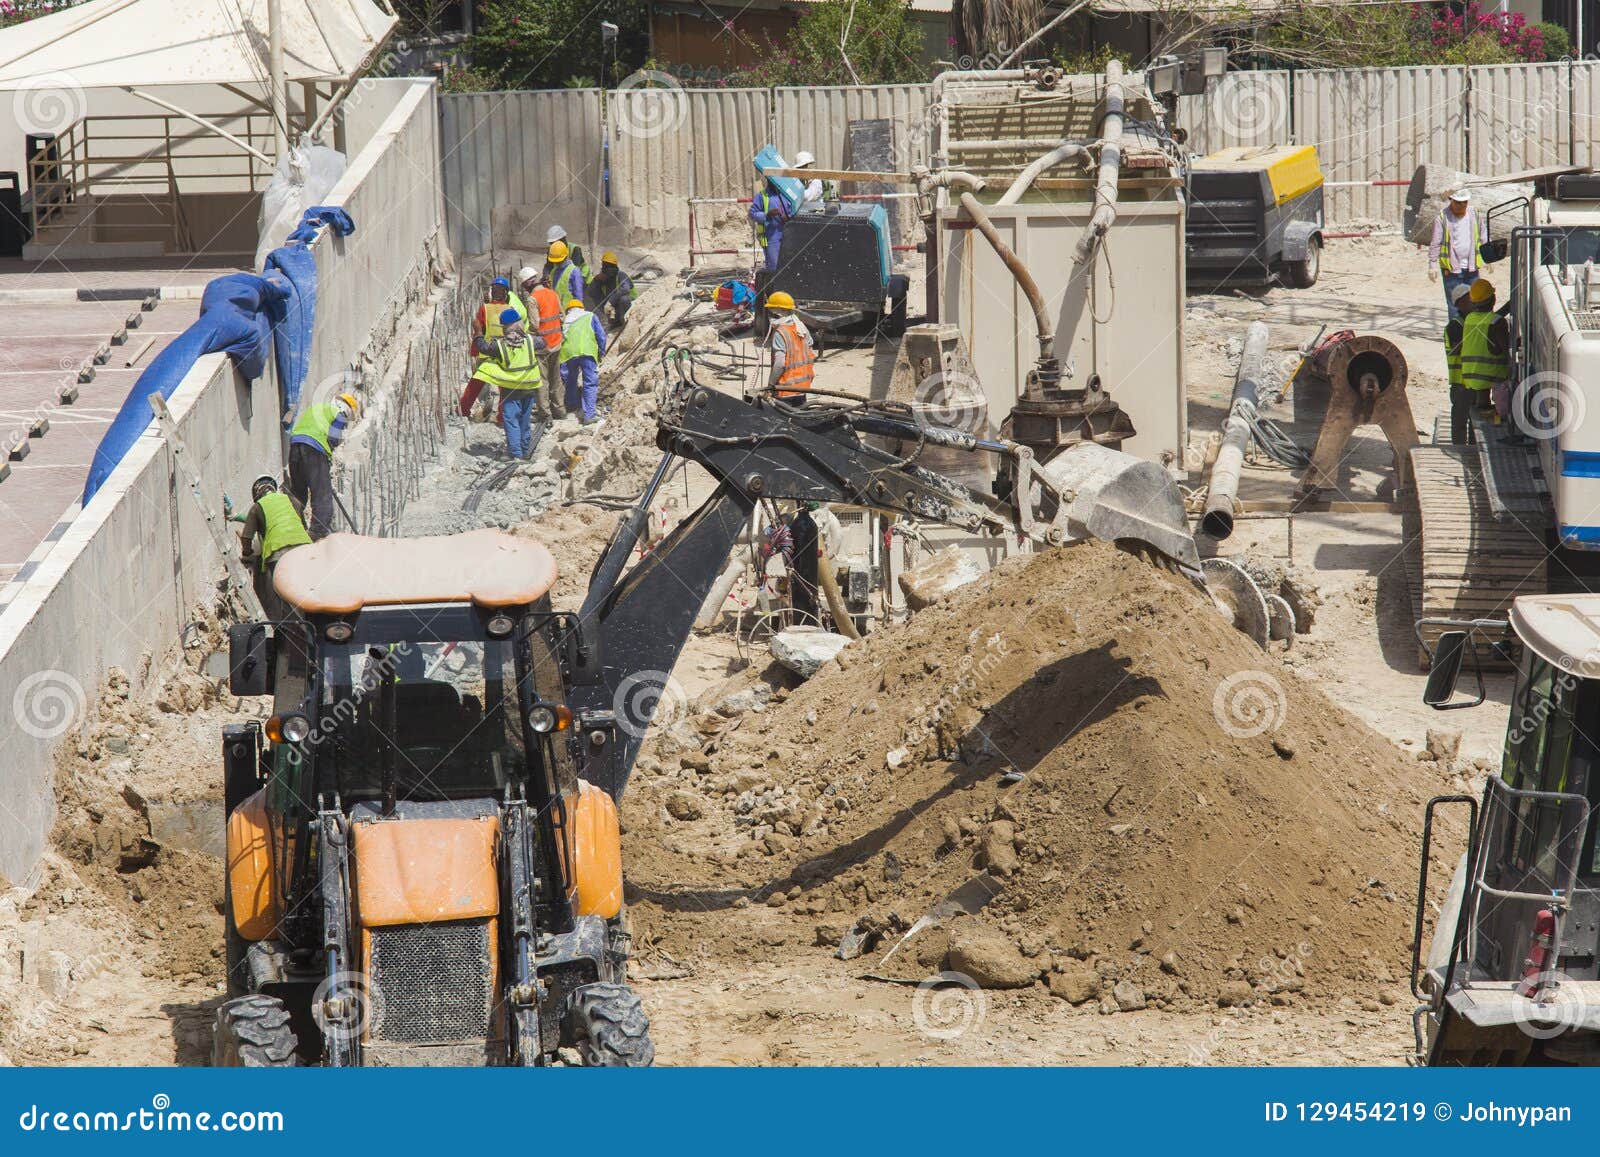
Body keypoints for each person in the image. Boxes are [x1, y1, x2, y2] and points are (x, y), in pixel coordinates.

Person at [473, 309, 547, 459]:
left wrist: (478, 332)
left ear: (505, 327)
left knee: (511, 420)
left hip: (511, 389)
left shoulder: (501, 345)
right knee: (524, 421)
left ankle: (515, 454)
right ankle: (525, 450)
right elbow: (543, 342)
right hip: (529, 387)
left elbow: (484, 348)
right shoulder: (530, 341)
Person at [287, 393, 358, 540]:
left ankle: (292, 527)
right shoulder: (339, 414)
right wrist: (329, 453)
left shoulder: (316, 408)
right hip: (315, 449)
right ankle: (318, 531)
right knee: (322, 493)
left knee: (298, 493)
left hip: (295, 446)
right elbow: (333, 437)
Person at [238, 474, 311, 614]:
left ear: (256, 494)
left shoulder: (257, 507)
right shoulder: (292, 500)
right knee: (306, 585)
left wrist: (247, 555)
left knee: (280, 593)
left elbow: (246, 537)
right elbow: (302, 525)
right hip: (304, 549)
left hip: (278, 552)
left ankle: (288, 623)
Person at [462, 277, 525, 417]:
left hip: (487, 353)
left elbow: (479, 329)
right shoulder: (511, 309)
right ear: (506, 293)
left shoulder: (485, 308)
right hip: (505, 353)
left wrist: (475, 351)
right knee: (505, 387)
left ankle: (463, 409)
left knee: (476, 383)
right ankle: (502, 417)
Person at [1459, 278, 1512, 423]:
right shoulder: (1497, 323)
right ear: (1493, 299)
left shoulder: (1469, 319)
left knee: (1482, 404)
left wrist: (1508, 307)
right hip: (1492, 377)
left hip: (1471, 376)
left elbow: (1488, 320)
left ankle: (1483, 408)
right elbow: (1506, 348)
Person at [521, 265, 566, 420]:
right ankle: (560, 410)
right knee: (556, 379)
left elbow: (534, 324)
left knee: (542, 380)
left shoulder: (533, 299)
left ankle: (545, 414)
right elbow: (562, 316)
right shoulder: (552, 293)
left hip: (542, 346)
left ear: (527, 284)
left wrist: (524, 336)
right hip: (557, 342)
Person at [1429, 188, 1482, 320]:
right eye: (1458, 202)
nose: (1462, 205)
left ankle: (1471, 332)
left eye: (1465, 202)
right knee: (1455, 303)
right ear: (1451, 200)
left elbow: (1483, 234)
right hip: (1451, 270)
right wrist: (1432, 265)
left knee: (1475, 301)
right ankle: (1456, 335)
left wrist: (1489, 255)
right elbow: (1436, 242)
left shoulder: (1474, 214)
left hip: (1472, 267)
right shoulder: (1442, 217)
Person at [559, 299, 608, 424]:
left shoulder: (566, 320)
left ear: (568, 310)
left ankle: (571, 404)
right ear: (582, 307)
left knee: (570, 378)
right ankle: (589, 414)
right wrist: (601, 352)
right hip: (587, 351)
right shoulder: (590, 316)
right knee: (590, 382)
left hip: (569, 353)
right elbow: (601, 335)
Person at [764, 291, 815, 399]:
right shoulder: (801, 327)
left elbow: (780, 364)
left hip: (785, 390)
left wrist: (770, 386)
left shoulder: (781, 332)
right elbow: (811, 355)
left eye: (770, 309)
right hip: (804, 386)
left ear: (777, 311)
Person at [1444, 282, 1474, 444]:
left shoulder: (1471, 322)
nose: (1474, 302)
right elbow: (1455, 349)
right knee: (1460, 422)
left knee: (1475, 424)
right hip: (1460, 384)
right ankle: (1460, 450)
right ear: (1460, 303)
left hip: (1472, 382)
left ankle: (1471, 450)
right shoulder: (1455, 325)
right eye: (1471, 299)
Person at [586, 251, 636, 331]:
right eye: (606, 266)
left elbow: (625, 289)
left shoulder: (621, 275)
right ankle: (614, 322)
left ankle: (625, 324)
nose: (608, 269)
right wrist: (596, 280)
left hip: (632, 307)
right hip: (614, 309)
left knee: (624, 299)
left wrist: (610, 302)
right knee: (597, 298)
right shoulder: (603, 280)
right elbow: (591, 293)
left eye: (610, 266)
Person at [749, 180, 789, 272]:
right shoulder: (762, 196)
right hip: (771, 237)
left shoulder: (786, 194)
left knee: (787, 266)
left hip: (788, 235)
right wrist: (767, 214)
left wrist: (788, 217)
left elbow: (793, 209)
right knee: (774, 267)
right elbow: (752, 214)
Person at [544, 240, 586, 309]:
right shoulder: (554, 272)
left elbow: (578, 297)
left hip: (571, 312)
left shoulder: (574, 271)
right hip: (557, 311)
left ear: (566, 256)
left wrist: (578, 312)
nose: (557, 263)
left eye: (559, 261)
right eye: (555, 261)